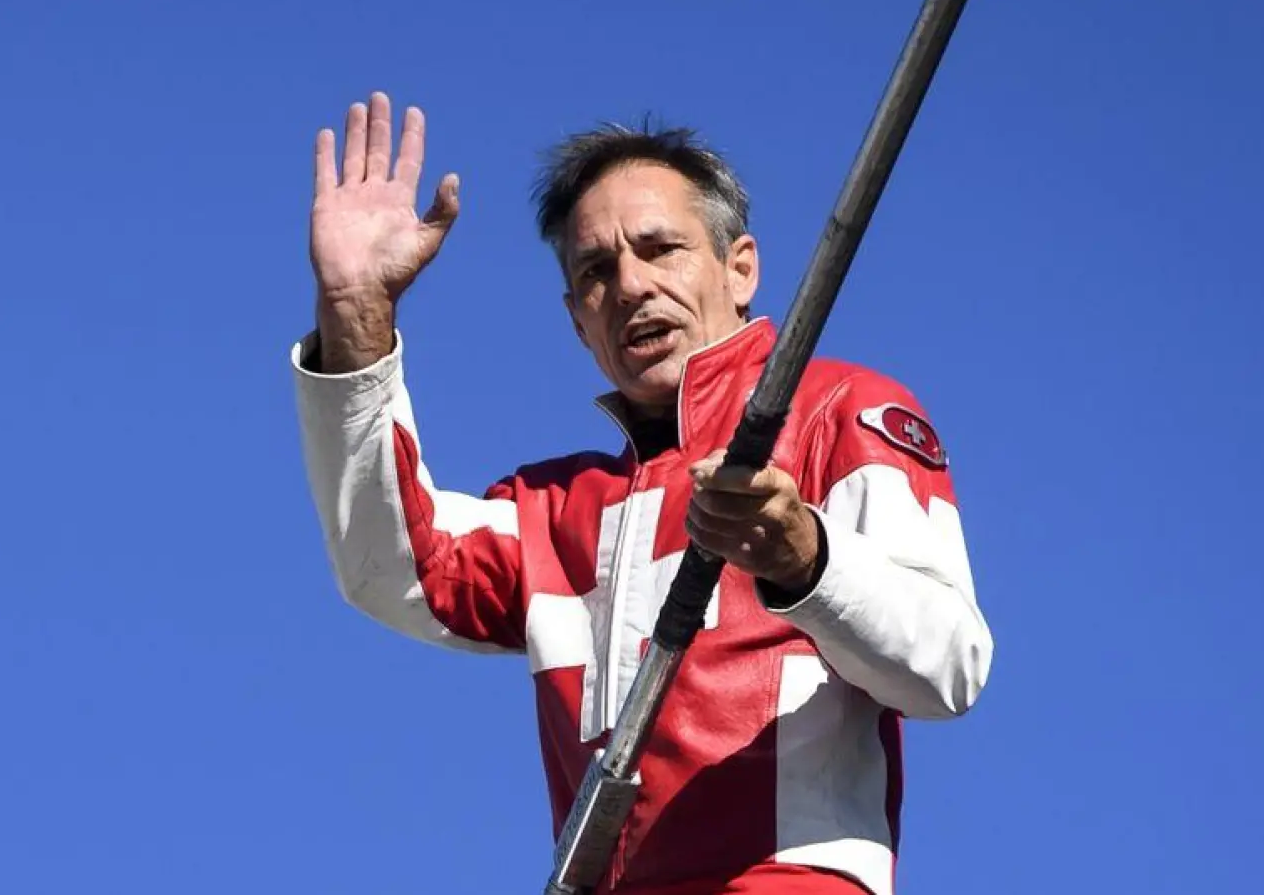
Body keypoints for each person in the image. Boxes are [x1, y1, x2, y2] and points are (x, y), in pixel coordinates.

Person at [289, 91, 994, 895]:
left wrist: (808, 561)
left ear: (741, 268)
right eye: (595, 270)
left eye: (660, 249)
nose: (628, 285)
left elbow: (948, 664)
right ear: (576, 321)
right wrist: (355, 315)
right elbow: (388, 565)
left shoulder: (845, 410)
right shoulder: (551, 510)